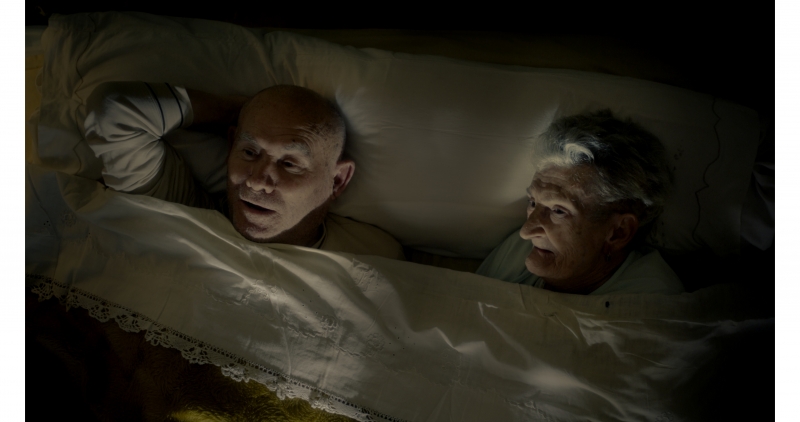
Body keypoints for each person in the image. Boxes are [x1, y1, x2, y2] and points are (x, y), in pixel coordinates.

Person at [83, 81, 404, 260]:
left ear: (337, 180)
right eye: (249, 152)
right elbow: (113, 111)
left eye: (289, 164)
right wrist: (237, 110)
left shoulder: (374, 255)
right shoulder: (184, 211)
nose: (257, 181)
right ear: (231, 145)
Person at [476, 110, 684, 295]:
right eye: (532, 203)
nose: (526, 231)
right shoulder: (522, 249)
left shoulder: (651, 301)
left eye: (558, 211)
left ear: (618, 232)